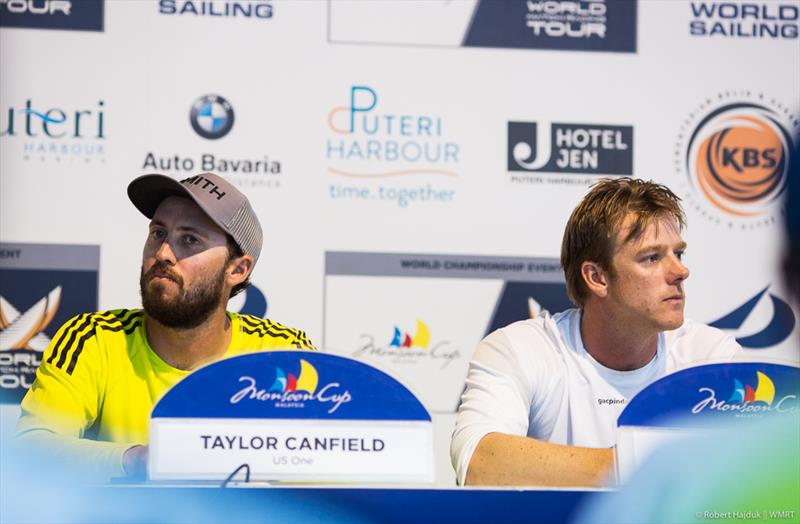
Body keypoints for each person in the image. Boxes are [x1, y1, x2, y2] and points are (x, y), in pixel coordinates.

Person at [15, 172, 315, 481]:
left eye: (190, 240)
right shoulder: (94, 339)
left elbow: (327, 472)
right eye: (158, 233)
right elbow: (31, 451)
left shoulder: (284, 354)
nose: (162, 254)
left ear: (237, 269)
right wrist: (138, 460)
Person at [450, 177, 741, 487]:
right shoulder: (519, 349)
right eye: (652, 257)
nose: (680, 272)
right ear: (597, 277)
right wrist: (650, 465)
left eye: (678, 254)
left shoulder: (712, 357)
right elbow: (478, 463)